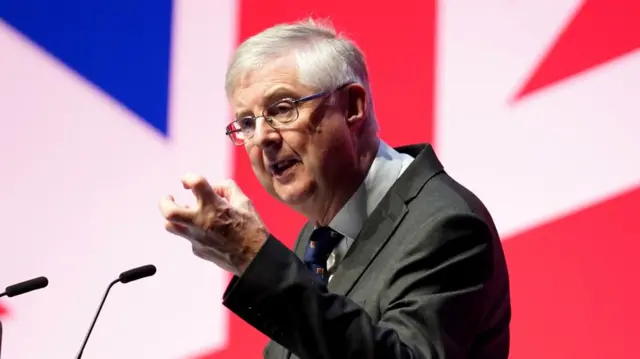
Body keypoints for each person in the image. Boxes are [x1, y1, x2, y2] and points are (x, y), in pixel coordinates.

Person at [159, 19, 511, 359]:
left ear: (353, 107)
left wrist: (254, 257)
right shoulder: (317, 240)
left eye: (282, 109)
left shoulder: (445, 226)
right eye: (247, 123)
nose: (263, 137)